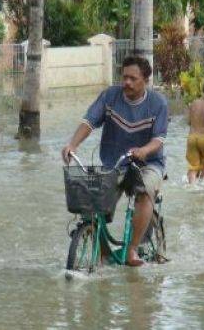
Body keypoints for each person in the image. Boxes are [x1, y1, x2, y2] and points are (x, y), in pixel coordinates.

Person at [61, 56, 169, 267]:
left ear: (145, 80)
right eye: (124, 77)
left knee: (144, 192)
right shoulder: (110, 96)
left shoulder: (158, 104)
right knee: (92, 200)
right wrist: (72, 145)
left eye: (133, 78)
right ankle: (102, 253)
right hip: (114, 162)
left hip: (148, 162)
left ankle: (131, 250)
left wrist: (143, 150)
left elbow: (158, 139)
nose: (127, 82)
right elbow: (89, 121)